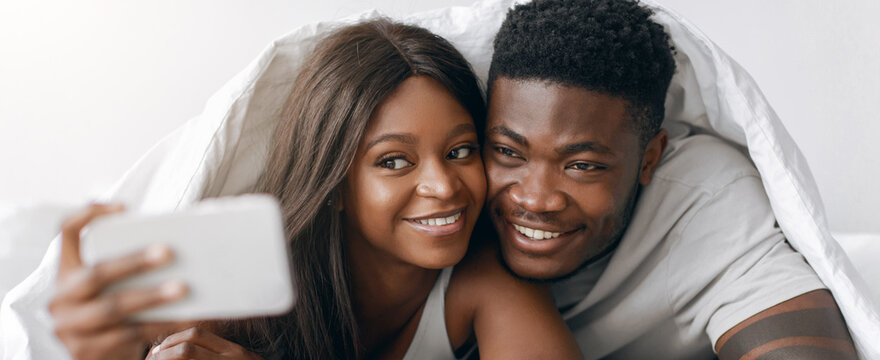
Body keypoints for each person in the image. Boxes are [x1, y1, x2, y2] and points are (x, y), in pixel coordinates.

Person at [48, 19, 581, 359]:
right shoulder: (239, 286)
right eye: (394, 161)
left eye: (461, 151)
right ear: (336, 182)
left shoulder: (488, 283)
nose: (444, 186)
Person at [478, 0, 858, 359]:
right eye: (508, 152)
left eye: (583, 165)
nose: (535, 199)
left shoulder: (704, 199)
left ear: (650, 159)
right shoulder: (448, 192)